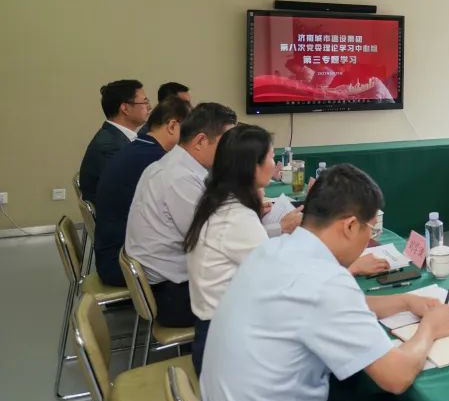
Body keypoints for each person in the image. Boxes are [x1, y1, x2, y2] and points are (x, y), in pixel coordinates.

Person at [200, 165, 449, 401]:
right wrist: (430, 327)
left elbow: (329, 307)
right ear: (350, 226)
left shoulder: (272, 250)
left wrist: (406, 301)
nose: (369, 238)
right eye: (370, 228)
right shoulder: (325, 281)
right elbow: (396, 376)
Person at [184, 125, 301, 373]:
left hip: (216, 333)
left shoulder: (220, 200)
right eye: (271, 157)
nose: (275, 165)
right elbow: (280, 280)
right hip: (224, 350)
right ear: (252, 166)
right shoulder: (236, 218)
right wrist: (347, 268)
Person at [125, 103, 241, 327]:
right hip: (172, 295)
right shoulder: (178, 177)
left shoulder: (176, 166)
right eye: (227, 144)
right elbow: (214, 242)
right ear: (201, 141)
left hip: (167, 280)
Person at [94, 97, 191, 287]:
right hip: (122, 263)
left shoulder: (139, 148)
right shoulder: (156, 161)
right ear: (172, 126)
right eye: (190, 131)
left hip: (116, 252)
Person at [78, 80, 151, 205]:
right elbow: (131, 193)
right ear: (125, 108)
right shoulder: (110, 147)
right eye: (145, 102)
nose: (149, 107)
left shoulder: (114, 137)